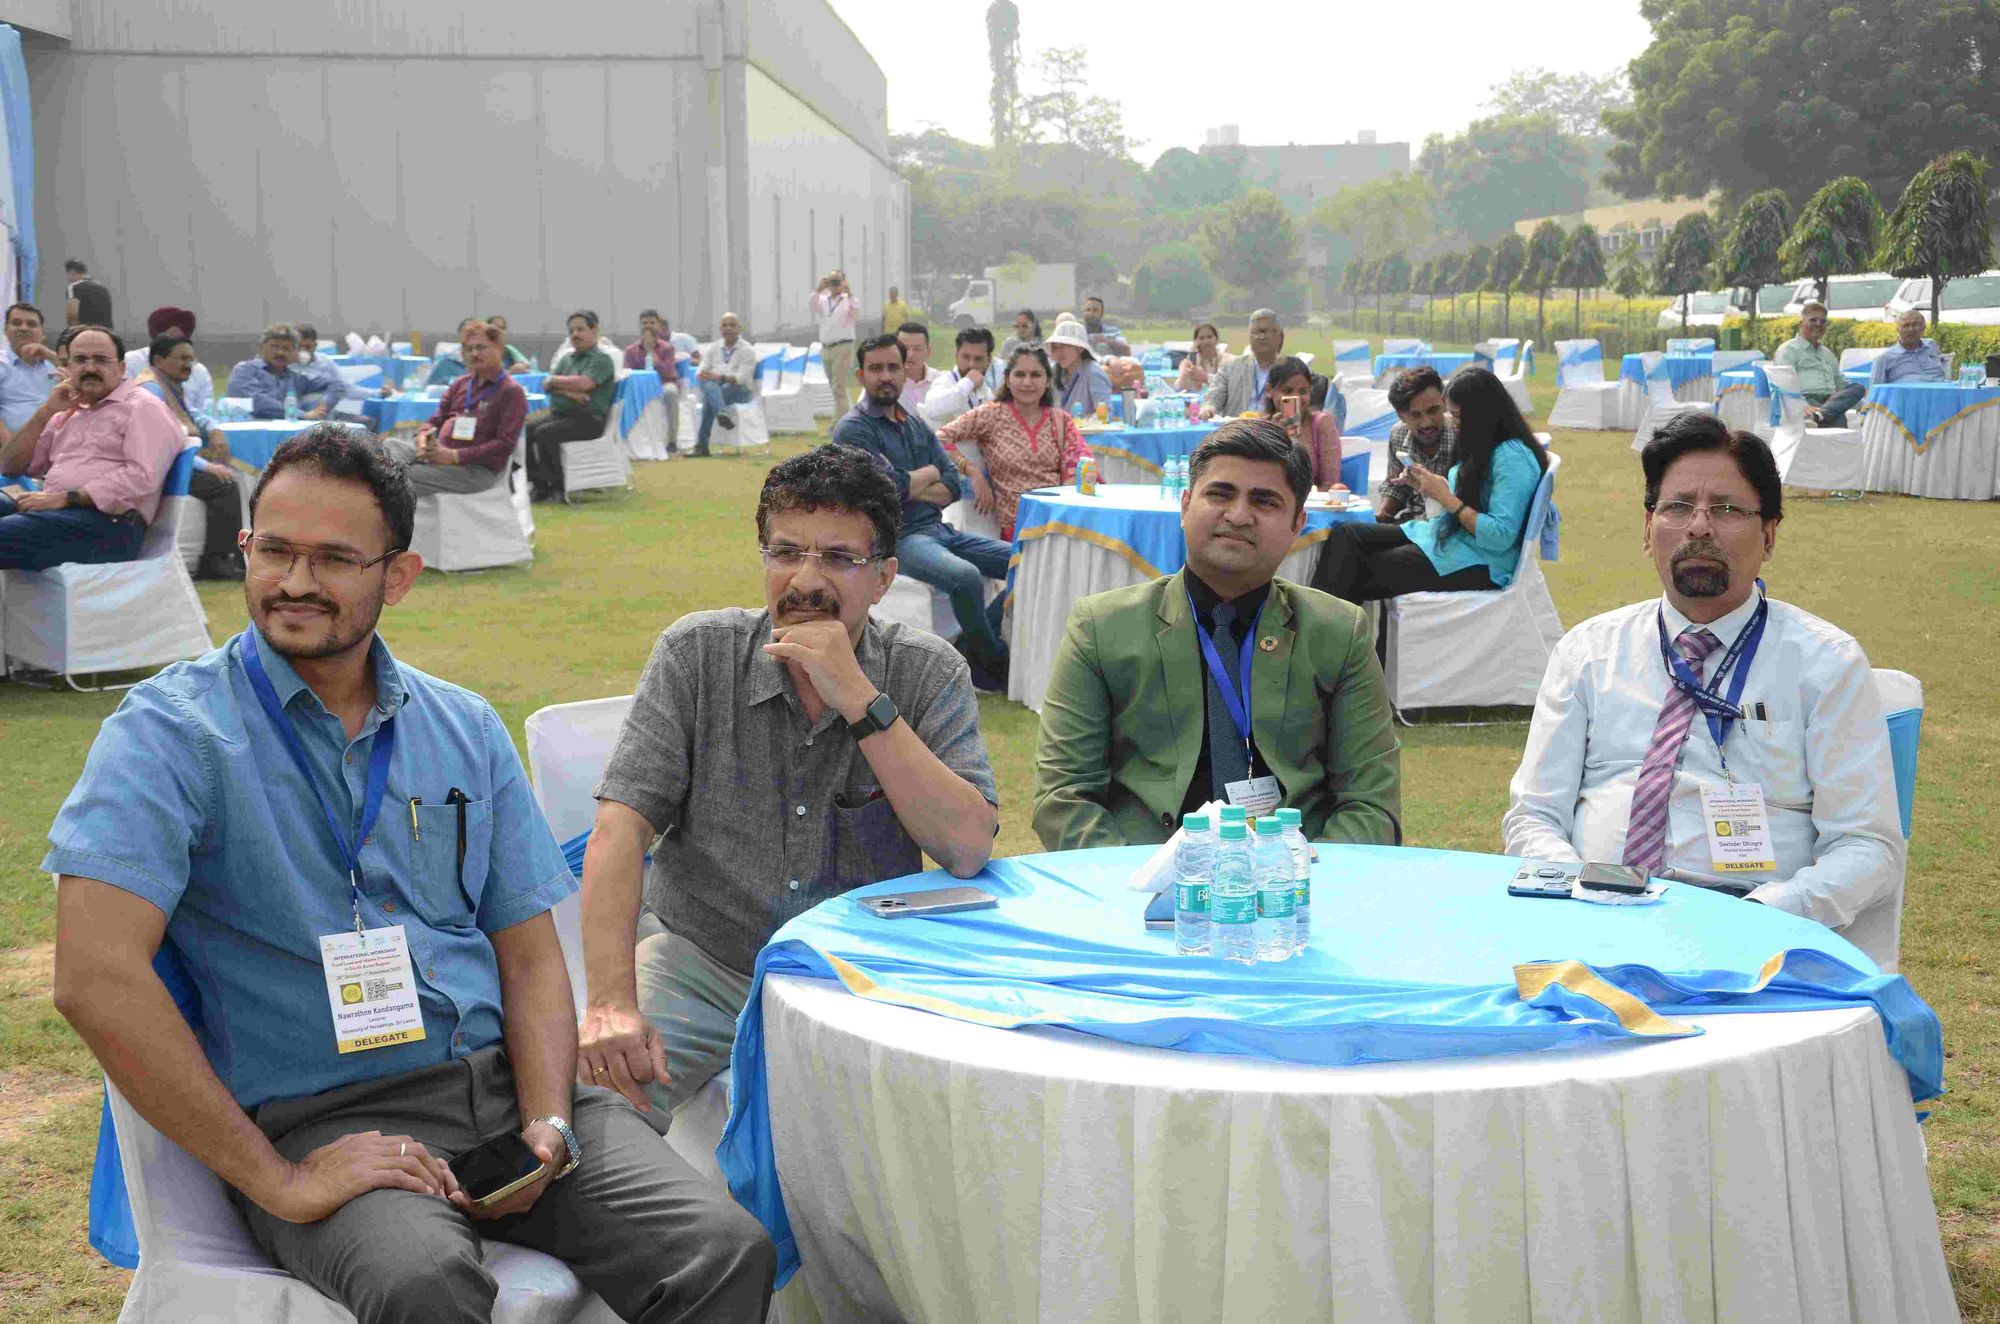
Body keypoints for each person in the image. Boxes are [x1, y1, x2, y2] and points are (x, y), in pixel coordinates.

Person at [48, 425, 776, 1323]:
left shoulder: (463, 727)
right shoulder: (171, 735)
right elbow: (94, 976)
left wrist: (547, 1121)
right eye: (272, 548)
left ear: (398, 575)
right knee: (424, 1285)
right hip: (328, 1117)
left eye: (333, 558)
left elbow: (531, 957)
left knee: (723, 1253)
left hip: (508, 1089)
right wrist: (283, 1179)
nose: (295, 582)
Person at [575, 443, 998, 1117]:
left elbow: (968, 846)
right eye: (786, 552)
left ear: (884, 577)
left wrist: (860, 699)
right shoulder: (697, 655)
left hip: (861, 972)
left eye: (838, 558)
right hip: (702, 962)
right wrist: (609, 1003)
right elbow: (619, 831)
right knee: (592, 1106)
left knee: (952, 1114)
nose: (806, 579)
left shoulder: (926, 672)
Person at [1503, 412, 1905, 968]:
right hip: (1592, 924)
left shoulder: (1825, 663)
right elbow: (1534, 816)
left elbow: (1868, 846)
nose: (1699, 526)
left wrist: (1767, 915)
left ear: (1768, 534)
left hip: (1753, 937)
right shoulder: (1588, 651)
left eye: (1726, 509)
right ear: (1648, 531)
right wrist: (1577, 892)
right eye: (1677, 506)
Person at [1032, 420, 1402, 848]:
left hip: (1297, 882)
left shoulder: (1339, 632)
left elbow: (1371, 803)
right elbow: (1063, 796)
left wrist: (1300, 885)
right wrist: (1139, 890)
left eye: (1265, 502)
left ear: (1297, 524)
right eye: (1220, 494)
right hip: (1142, 884)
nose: (1239, 515)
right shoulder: (1102, 627)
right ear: (1185, 504)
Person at [831, 333, 1012, 690]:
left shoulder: (913, 423)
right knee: (966, 577)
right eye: (876, 368)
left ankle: (973, 645)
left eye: (893, 367)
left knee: (1025, 559)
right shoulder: (853, 429)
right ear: (860, 376)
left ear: (905, 370)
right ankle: (993, 665)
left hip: (939, 530)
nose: (886, 376)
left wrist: (909, 482)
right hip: (897, 538)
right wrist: (923, 478)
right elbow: (882, 494)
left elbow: (952, 485)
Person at [1314, 366, 1546, 615]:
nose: (1452, 422)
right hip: (1449, 538)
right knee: (1347, 535)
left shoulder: (1512, 458)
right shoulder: (1482, 445)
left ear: (1481, 415)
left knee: (1355, 568)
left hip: (1481, 562)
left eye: (1456, 416)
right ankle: (1322, 634)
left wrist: (1445, 498)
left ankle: (1320, 639)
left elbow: (1500, 537)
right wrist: (1426, 487)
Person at [0, 326, 184, 569]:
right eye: (80, 360)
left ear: (121, 368)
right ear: (69, 368)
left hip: (108, 524)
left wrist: (68, 498)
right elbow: (10, 466)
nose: (89, 368)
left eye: (100, 360)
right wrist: (45, 413)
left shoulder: (143, 408)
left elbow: (141, 477)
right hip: (55, 512)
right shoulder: (69, 410)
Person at [937, 345, 1091, 538]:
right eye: (1019, 375)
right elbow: (940, 437)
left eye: (1036, 375)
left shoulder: (1060, 420)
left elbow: (1079, 465)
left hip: (1060, 523)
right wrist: (972, 471)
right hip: (1016, 530)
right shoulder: (991, 414)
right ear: (1008, 380)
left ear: (1048, 381)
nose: (1027, 382)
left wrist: (1061, 510)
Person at [135, 333, 248, 580]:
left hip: (170, 460)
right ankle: (216, 561)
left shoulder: (167, 384)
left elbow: (192, 413)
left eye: (192, 360)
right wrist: (205, 466)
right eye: (182, 358)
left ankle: (232, 556)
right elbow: (164, 443)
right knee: (222, 484)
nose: (189, 365)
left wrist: (214, 428)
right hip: (157, 466)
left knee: (227, 476)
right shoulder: (150, 392)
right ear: (159, 360)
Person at [381, 321, 526, 497]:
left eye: (481, 347)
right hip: (438, 455)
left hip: (475, 470)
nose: (474, 353)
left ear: (499, 349)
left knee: (400, 478)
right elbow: (435, 420)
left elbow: (504, 445)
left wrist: (454, 456)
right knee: (389, 447)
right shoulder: (460, 384)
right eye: (469, 349)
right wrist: (422, 438)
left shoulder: (511, 391)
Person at [524, 310, 616, 502]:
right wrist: (569, 392)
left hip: (589, 420)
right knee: (526, 430)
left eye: (580, 329)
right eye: (572, 331)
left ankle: (557, 488)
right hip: (561, 414)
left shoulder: (602, 360)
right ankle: (539, 485)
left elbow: (585, 384)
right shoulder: (567, 359)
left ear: (594, 331)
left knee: (545, 433)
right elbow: (546, 386)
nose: (575, 334)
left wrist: (555, 380)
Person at [1377, 366, 1461, 524]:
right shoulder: (1398, 435)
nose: (1427, 423)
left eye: (1433, 410)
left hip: (1450, 526)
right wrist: (1382, 516)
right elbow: (1396, 487)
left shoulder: (1461, 435)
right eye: (1415, 415)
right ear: (1401, 415)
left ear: (1444, 403)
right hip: (1412, 524)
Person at [228, 325, 350, 421]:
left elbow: (337, 384)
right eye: (274, 347)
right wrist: (302, 415)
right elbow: (258, 402)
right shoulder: (244, 370)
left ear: (294, 352)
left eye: (286, 348)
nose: (280, 352)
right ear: (261, 347)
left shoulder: (296, 378)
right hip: (252, 431)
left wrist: (324, 405)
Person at [1774, 302, 1865, 427]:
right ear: (1801, 324)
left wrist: (1866, 405)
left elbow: (1840, 383)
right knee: (1835, 431)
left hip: (1831, 403)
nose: (1818, 324)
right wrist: (1803, 405)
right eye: (1813, 320)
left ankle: (1819, 416)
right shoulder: (1788, 350)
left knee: (1858, 388)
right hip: (1806, 403)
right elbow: (1784, 385)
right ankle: (1818, 416)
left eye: (1823, 321)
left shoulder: (1826, 353)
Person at [1260, 355, 1341, 488]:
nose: (1296, 397)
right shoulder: (1260, 427)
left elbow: (1330, 484)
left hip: (1312, 503)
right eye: (1287, 391)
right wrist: (1273, 440)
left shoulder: (1321, 424)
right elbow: (1257, 479)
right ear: (1269, 391)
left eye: (1303, 391)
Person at [123, 307, 216, 410]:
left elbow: (205, 412)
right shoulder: (132, 361)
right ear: (158, 361)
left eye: (184, 329)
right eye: (172, 331)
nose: (180, 334)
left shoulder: (199, 371)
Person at [1200, 309, 1286, 419]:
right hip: (1236, 431)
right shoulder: (1230, 367)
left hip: (1272, 431)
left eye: (1266, 331)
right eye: (1256, 332)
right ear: (1249, 337)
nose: (1261, 337)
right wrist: (1209, 407)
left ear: (1280, 336)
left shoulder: (1289, 370)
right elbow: (1213, 397)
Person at [694, 312, 756, 459]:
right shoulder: (713, 348)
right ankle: (722, 412)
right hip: (717, 389)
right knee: (709, 386)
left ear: (739, 328)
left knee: (711, 395)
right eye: (724, 325)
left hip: (741, 392)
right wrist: (707, 376)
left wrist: (719, 377)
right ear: (720, 329)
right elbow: (700, 371)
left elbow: (741, 379)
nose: (728, 328)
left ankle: (702, 446)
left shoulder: (747, 350)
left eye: (732, 325)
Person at [622, 310, 682, 453]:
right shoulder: (631, 350)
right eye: (644, 323)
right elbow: (627, 374)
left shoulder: (667, 348)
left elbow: (667, 371)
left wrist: (651, 351)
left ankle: (672, 441)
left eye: (652, 323)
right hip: (640, 387)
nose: (648, 326)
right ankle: (628, 440)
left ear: (659, 326)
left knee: (671, 392)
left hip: (663, 384)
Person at [0, 301, 59, 447]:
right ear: (6, 330)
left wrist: (50, 355)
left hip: (57, 445)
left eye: (31, 324)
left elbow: (79, 380)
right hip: (12, 447)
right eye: (16, 323)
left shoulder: (54, 363)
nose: (24, 328)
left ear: (42, 332)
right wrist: (10, 448)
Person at [919, 325, 996, 427]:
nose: (971, 365)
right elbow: (932, 409)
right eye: (966, 357)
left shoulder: (986, 392)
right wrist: (968, 382)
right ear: (956, 355)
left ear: (989, 359)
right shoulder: (945, 381)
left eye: (978, 359)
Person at [811, 270, 858, 417]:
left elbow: (854, 313)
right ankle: (848, 415)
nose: (835, 285)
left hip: (843, 346)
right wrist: (818, 289)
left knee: (838, 386)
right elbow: (813, 305)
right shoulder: (823, 300)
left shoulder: (848, 300)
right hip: (827, 347)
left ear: (844, 282)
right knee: (834, 387)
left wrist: (849, 294)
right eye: (832, 281)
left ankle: (837, 423)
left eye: (838, 281)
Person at [1045, 317, 1112, 418]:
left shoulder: (1093, 372)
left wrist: (1075, 423)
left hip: (1086, 433)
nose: (1059, 352)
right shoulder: (1054, 371)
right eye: (1055, 347)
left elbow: (1106, 415)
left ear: (1080, 347)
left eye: (1064, 345)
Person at [1870, 310, 1950, 384]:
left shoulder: (1931, 346)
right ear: (1898, 329)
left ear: (1923, 328)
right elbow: (1875, 393)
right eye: (1906, 326)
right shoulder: (1884, 359)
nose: (1911, 329)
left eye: (1915, 325)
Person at [895, 321, 946, 414]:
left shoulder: (943, 381)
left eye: (917, 349)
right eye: (905, 348)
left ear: (928, 351)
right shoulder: (885, 385)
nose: (910, 354)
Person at [1173, 322, 1232, 393]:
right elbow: (1178, 388)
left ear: (1216, 339)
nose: (1206, 341)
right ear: (1196, 341)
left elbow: (1230, 384)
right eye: (1202, 338)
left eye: (1209, 337)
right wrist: (1192, 354)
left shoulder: (1227, 359)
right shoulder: (1188, 362)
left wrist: (1205, 377)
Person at [424, 318, 477, 389]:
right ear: (460, 334)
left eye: (475, 332)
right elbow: (430, 388)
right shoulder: (446, 362)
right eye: (467, 331)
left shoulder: (486, 362)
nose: (470, 335)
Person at [65, 257, 114, 329]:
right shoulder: (103, 288)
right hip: (106, 330)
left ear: (72, 272)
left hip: (85, 329)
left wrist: (74, 329)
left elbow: (72, 313)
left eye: (67, 274)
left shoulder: (73, 287)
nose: (67, 278)